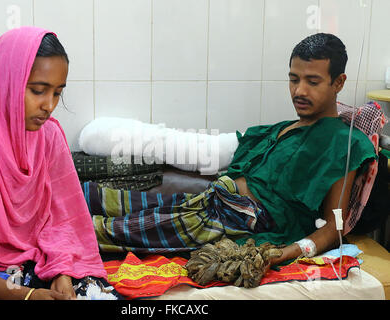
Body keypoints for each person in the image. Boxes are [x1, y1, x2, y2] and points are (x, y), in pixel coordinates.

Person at [85, 33, 377, 267]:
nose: (299, 90)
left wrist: (291, 251)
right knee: (104, 199)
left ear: (338, 83)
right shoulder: (283, 129)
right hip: (210, 201)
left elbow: (335, 224)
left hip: (238, 221)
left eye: (312, 81)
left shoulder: (344, 142)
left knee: (108, 231)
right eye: (293, 79)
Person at [0, 27, 116, 300]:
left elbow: (63, 222)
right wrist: (25, 295)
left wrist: (62, 272)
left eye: (57, 93)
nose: (48, 105)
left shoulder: (48, 136)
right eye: (38, 91)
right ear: (4, 83)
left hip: (38, 262)